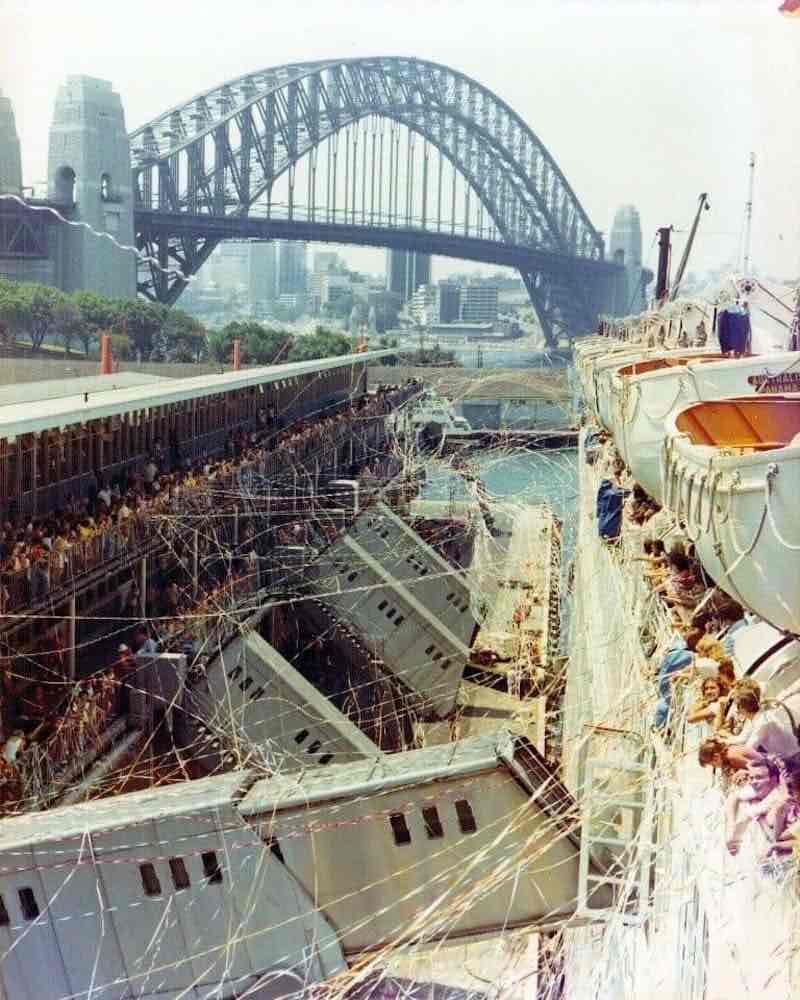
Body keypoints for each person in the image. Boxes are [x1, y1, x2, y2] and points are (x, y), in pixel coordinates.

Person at [653, 628, 704, 730]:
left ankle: (659, 725)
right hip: (669, 681)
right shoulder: (690, 656)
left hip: (663, 677)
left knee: (664, 701)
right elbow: (691, 673)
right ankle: (662, 727)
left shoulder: (677, 645)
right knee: (668, 703)